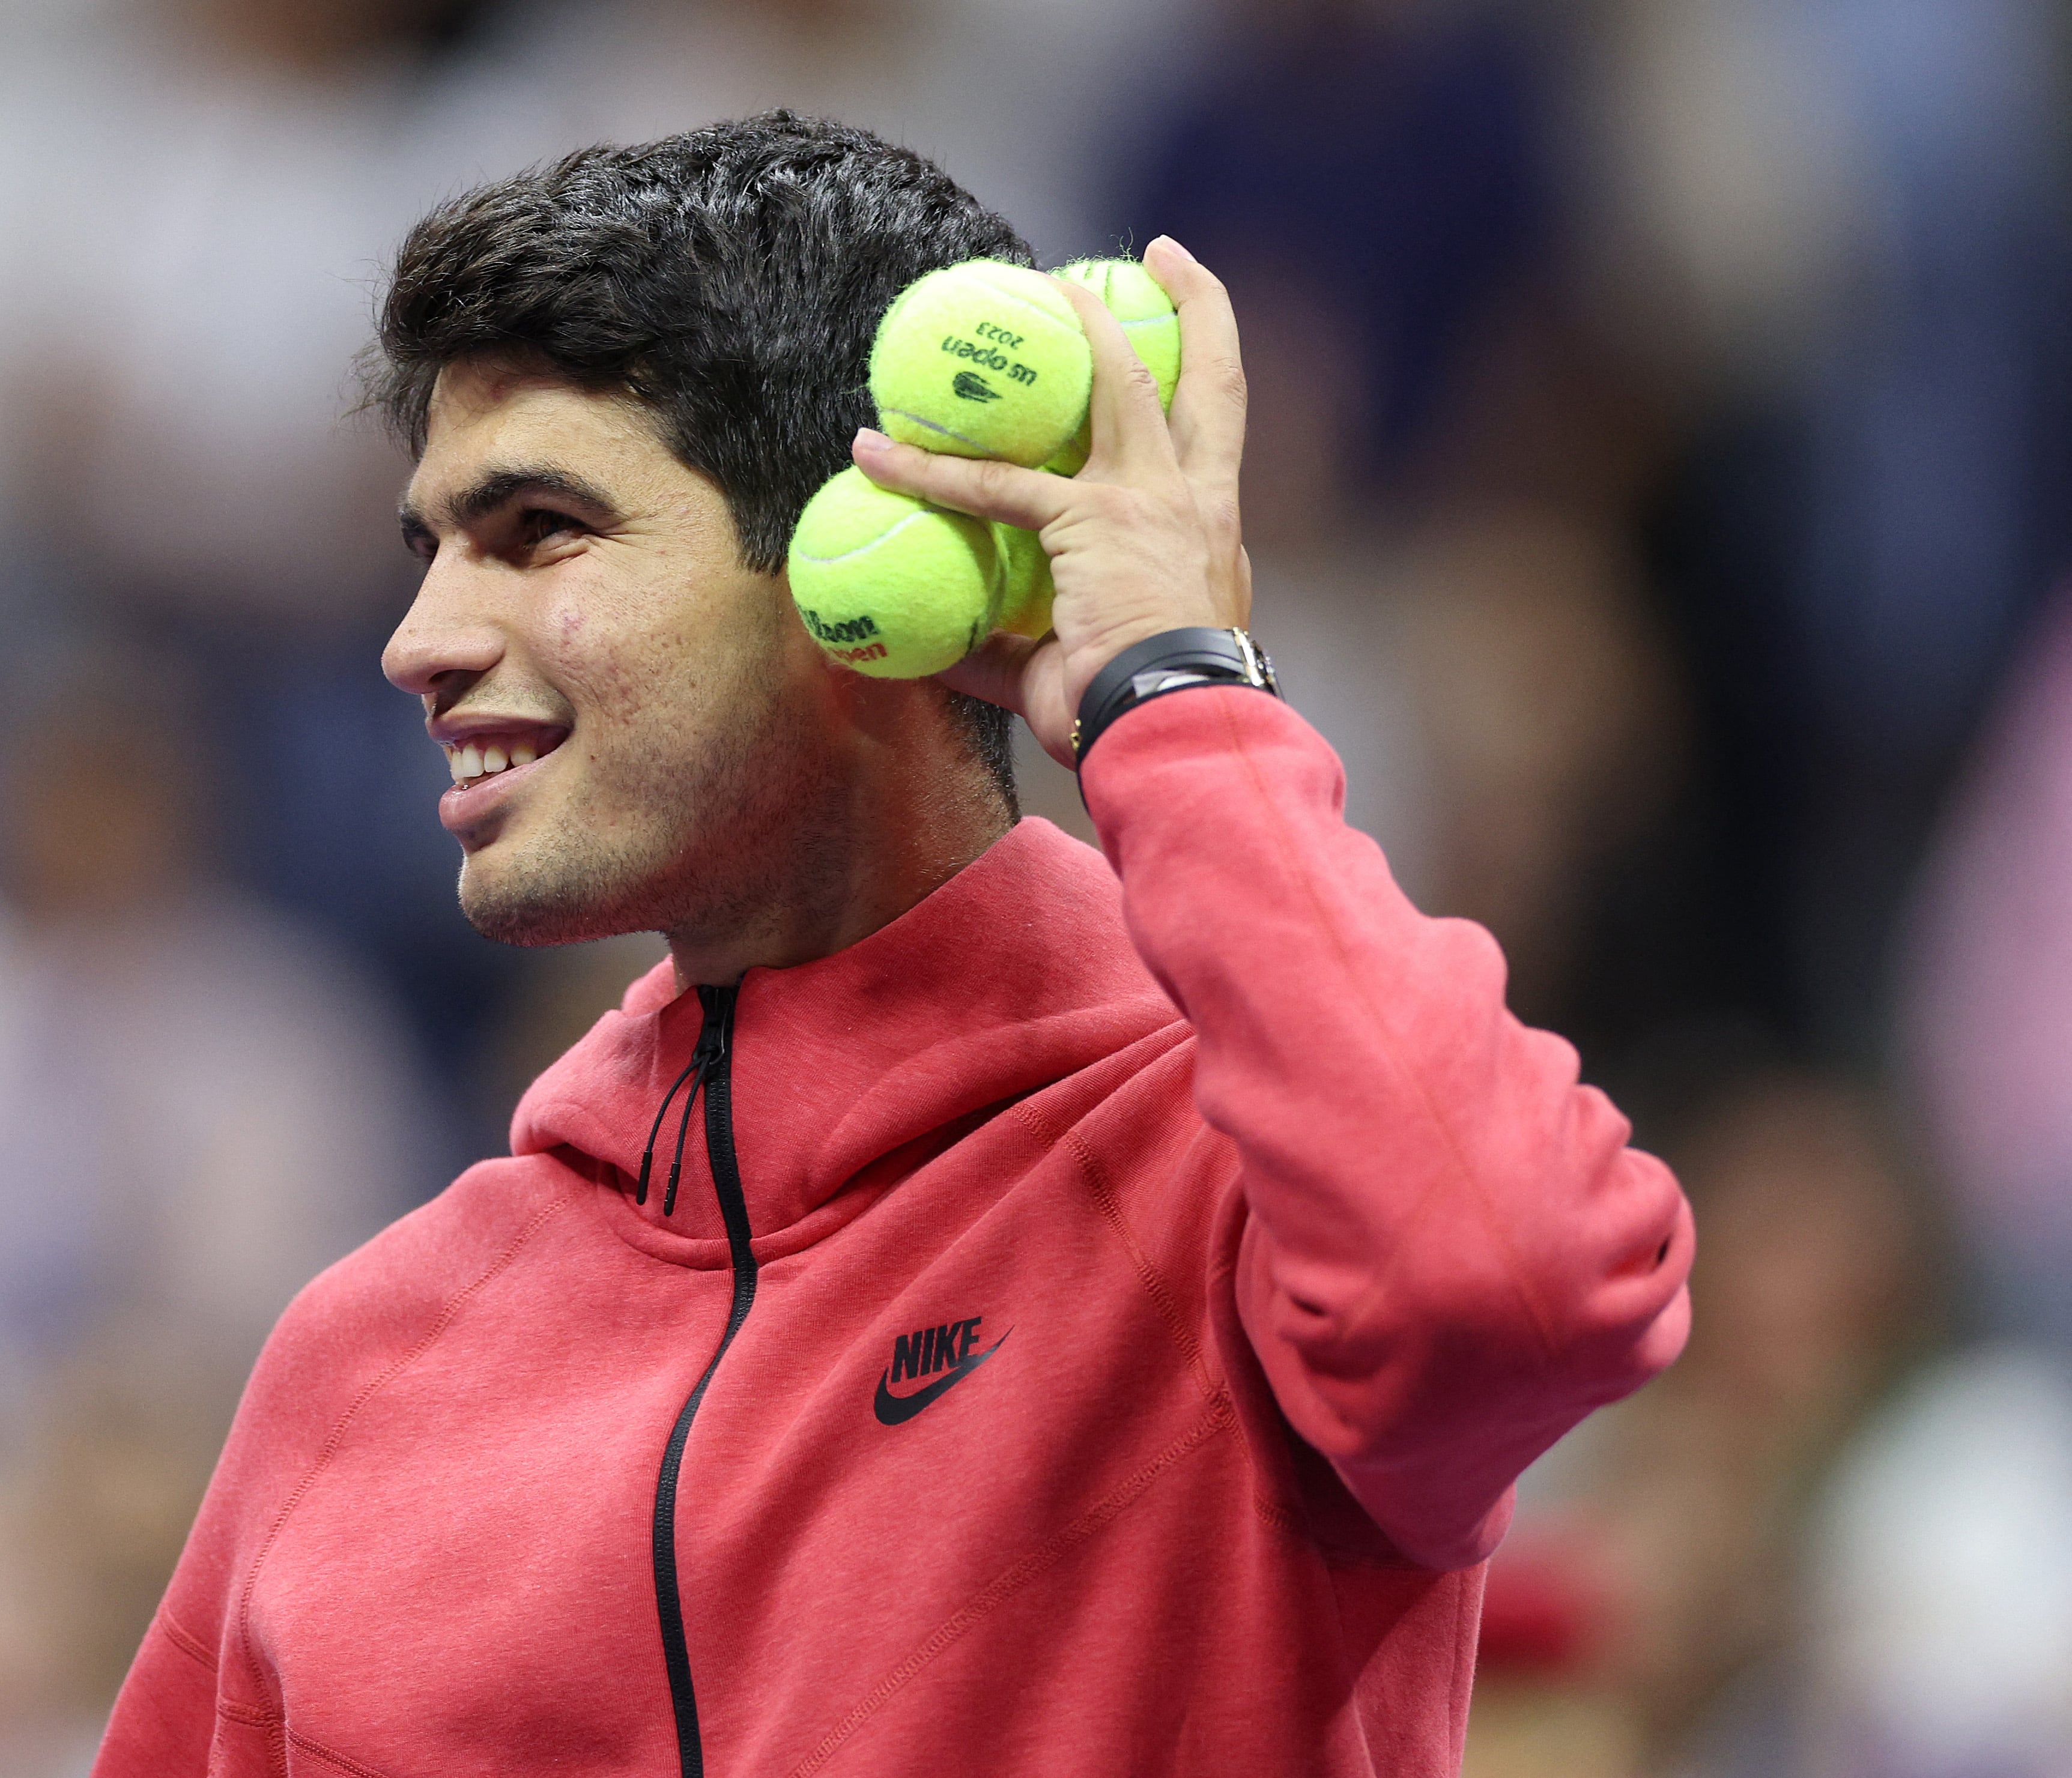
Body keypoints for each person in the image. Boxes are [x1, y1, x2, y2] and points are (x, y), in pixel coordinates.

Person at [97, 112, 1693, 1774]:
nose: (420, 643)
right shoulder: (364, 1359)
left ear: (873, 558)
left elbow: (1509, 1285)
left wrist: (1173, 691)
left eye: (540, 531)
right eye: (426, 553)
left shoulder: (1231, 1188)